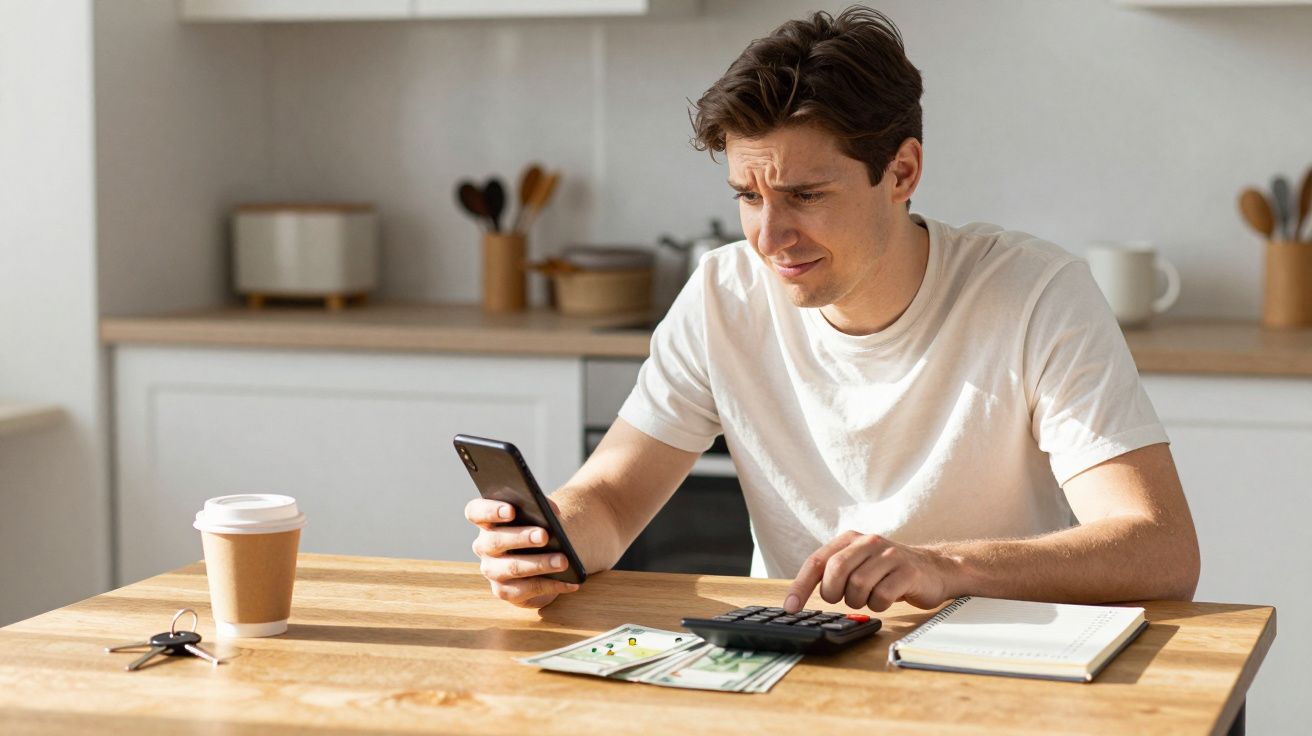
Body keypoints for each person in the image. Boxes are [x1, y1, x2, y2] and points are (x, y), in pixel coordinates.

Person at [465, 6, 1200, 613]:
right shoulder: (723, 293)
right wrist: (549, 541)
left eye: (805, 196)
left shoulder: (1034, 293)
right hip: (785, 665)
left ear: (902, 171)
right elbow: (615, 498)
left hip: (992, 666)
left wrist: (945, 566)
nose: (769, 237)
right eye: (749, 197)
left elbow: (1158, 547)